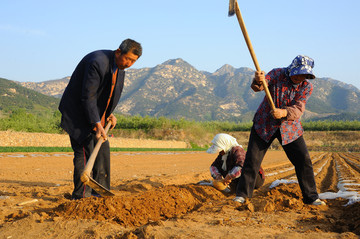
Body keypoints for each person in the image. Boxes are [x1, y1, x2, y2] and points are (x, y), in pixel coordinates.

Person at [233, 55, 326, 206]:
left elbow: (298, 108)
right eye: (298, 73)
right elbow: (259, 87)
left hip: (290, 129)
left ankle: (311, 197)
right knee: (252, 160)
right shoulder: (276, 73)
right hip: (264, 125)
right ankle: (242, 195)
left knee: (303, 160)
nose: (300, 77)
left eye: (304, 75)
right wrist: (258, 79)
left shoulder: (306, 87)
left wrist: (283, 113)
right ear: (292, 69)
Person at [59, 39, 142, 199]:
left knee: (102, 149)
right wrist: (97, 124)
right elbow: (88, 96)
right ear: (118, 52)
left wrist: (108, 113)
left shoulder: (119, 68)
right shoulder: (97, 62)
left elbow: (105, 95)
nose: (129, 64)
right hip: (77, 113)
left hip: (93, 113)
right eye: (128, 59)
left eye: (133, 61)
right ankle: (81, 196)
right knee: (84, 151)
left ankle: (100, 192)